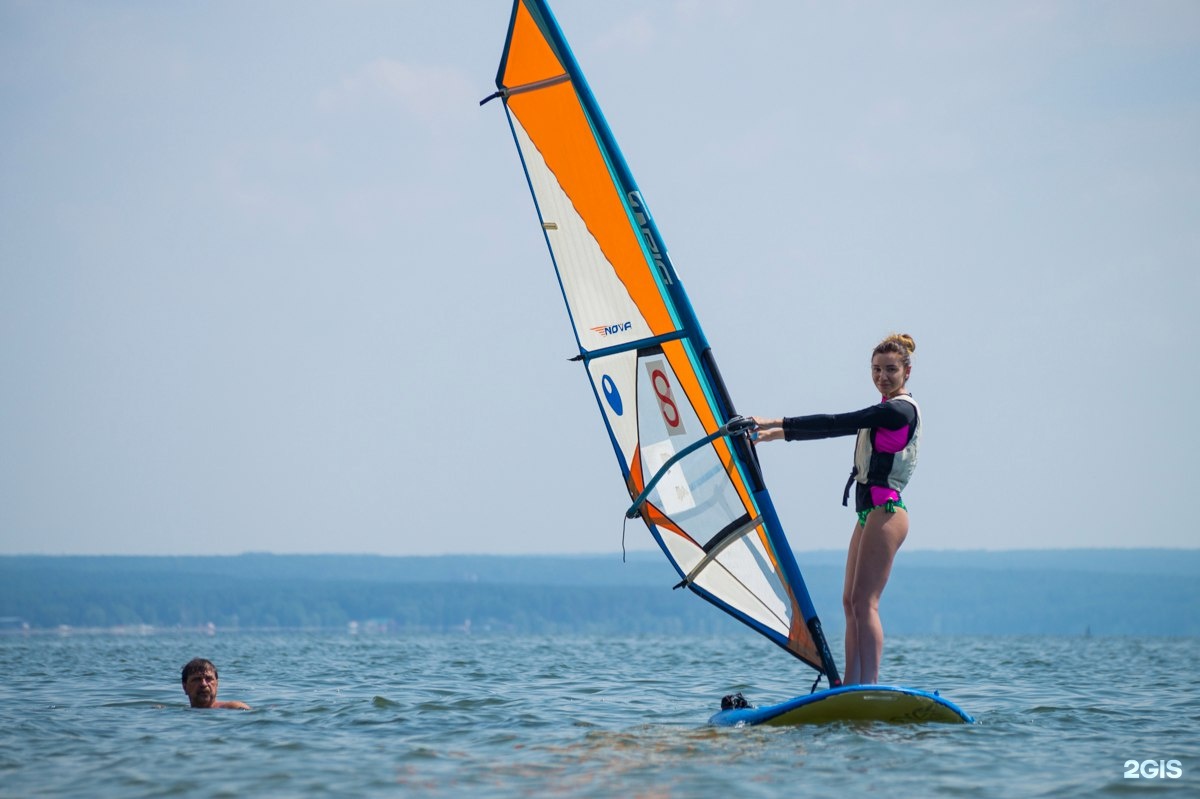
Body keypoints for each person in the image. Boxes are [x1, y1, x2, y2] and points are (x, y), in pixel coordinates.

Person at [751, 333, 920, 686]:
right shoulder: (884, 407)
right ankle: (850, 684)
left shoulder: (897, 410)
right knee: (850, 603)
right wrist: (775, 432)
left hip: (887, 512)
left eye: (890, 370)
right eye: (876, 369)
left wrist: (775, 425)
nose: (882, 376)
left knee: (865, 602)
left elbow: (835, 422)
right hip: (868, 515)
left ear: (907, 371)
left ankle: (868, 685)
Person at [181, 658, 251, 709]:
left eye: (208, 679)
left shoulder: (235, 708)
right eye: (196, 679)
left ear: (217, 684)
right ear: (185, 687)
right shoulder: (181, 715)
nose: (204, 684)